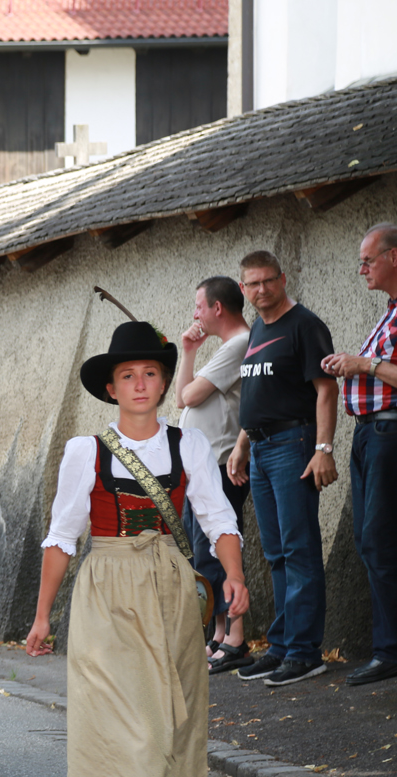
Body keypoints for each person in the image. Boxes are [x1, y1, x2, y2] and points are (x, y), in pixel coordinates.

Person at [25, 320, 247, 777]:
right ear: (112, 387)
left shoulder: (190, 446)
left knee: (154, 730)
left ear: (162, 380)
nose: (141, 384)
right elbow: (61, 536)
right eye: (128, 375)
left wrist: (234, 576)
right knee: (136, 734)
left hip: (172, 594)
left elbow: (217, 515)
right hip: (107, 594)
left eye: (150, 373)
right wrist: (43, 616)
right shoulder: (85, 451)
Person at [226, 250, 338, 687]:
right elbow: (256, 393)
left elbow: (325, 391)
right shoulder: (257, 327)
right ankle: (281, 647)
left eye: (268, 281)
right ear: (243, 289)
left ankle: (306, 653)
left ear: (283, 278)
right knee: (275, 554)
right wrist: (241, 445)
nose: (261, 290)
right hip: (258, 448)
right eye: (252, 284)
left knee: (299, 549)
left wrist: (323, 447)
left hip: (294, 444)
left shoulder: (305, 325)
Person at [320, 223, 397, 686]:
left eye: (367, 260)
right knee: (369, 540)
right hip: (371, 434)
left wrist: (364, 364)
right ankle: (393, 647)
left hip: (393, 434)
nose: (361, 269)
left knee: (379, 540)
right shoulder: (395, 308)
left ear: (395, 257)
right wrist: (350, 364)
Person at [175, 278, 252, 673]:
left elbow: (189, 396)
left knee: (222, 551)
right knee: (205, 554)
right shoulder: (223, 349)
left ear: (217, 308)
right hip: (202, 466)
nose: (195, 314)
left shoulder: (239, 343)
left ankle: (236, 638)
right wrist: (188, 351)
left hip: (222, 464)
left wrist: (191, 366)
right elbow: (179, 397)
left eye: (198, 306)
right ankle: (219, 635)